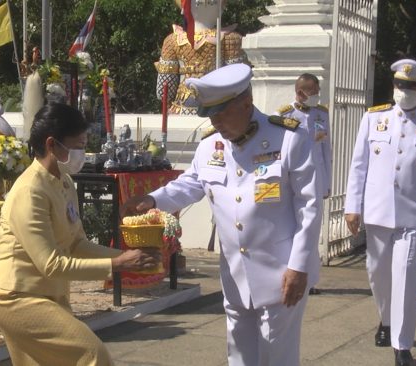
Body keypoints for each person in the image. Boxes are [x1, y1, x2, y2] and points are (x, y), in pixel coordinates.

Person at [122, 63, 322, 366]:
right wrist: (152, 199)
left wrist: (299, 266)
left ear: (245, 102)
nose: (216, 121)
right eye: (211, 114)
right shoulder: (209, 147)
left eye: (222, 113)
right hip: (236, 275)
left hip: (282, 273)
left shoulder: (290, 138)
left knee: (277, 357)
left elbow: (308, 207)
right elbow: (190, 184)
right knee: (239, 357)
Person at [0, 102, 160, 366]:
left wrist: (126, 257)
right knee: (92, 354)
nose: (83, 153)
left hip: (47, 292)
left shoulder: (64, 182)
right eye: (77, 146)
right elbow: (52, 264)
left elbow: (76, 243)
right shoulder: (30, 191)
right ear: (52, 145)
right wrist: (116, 265)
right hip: (16, 294)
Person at [344, 58, 416, 366]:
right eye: (399, 85)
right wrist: (353, 206)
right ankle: (386, 320)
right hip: (378, 211)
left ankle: (402, 347)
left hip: (415, 214)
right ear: (394, 86)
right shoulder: (373, 119)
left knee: (405, 275)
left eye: (410, 86)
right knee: (378, 273)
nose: (404, 91)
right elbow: (359, 165)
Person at [275, 73, 332, 296]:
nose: (317, 96)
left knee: (312, 228)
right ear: (300, 92)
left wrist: (327, 182)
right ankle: (291, 271)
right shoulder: (284, 115)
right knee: (293, 226)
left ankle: (310, 279)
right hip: (292, 180)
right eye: (313, 92)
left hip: (315, 178)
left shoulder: (321, 114)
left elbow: (326, 150)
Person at [155, 0, 246, 115]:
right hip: (218, 109)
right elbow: (240, 84)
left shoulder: (172, 41)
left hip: (184, 108)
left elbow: (164, 90)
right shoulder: (231, 39)